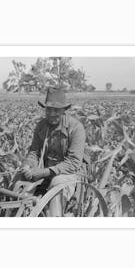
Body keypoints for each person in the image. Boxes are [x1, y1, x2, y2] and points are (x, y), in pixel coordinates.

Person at [21, 87, 86, 216]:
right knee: (19, 180)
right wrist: (27, 165)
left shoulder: (76, 128)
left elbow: (73, 163)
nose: (51, 114)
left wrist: (44, 172)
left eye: (56, 110)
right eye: (49, 109)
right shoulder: (41, 126)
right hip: (45, 172)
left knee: (57, 183)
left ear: (64, 110)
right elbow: (34, 152)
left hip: (70, 174)